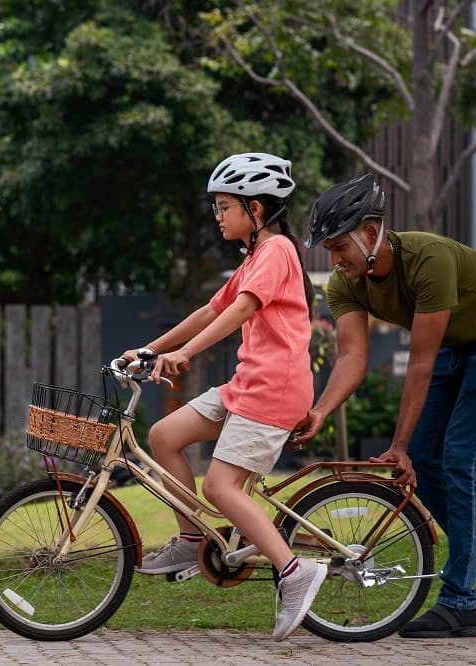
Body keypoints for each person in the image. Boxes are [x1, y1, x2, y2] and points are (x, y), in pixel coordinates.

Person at [296, 173, 476, 638]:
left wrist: (398, 444)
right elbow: (351, 357)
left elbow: (420, 365)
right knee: (425, 463)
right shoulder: (345, 284)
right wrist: (321, 411)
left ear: (370, 231)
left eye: (339, 246)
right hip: (454, 342)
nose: (334, 259)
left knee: (461, 458)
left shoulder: (429, 258)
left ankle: (460, 602)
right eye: (328, 249)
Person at [122, 152, 322, 641]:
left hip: (274, 391)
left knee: (220, 487)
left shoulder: (277, 250)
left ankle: (295, 572)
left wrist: (186, 353)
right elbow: (210, 310)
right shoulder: (254, 257)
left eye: (224, 206)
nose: (217, 216)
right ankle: (192, 539)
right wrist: (151, 349)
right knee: (164, 435)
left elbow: (241, 310)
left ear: (256, 209)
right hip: (247, 385)